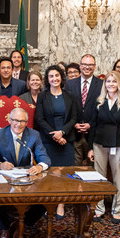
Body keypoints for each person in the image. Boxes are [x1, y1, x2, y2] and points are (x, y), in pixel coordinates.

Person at [0, 108, 51, 238]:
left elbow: (45, 159)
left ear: (26, 122)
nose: (19, 124)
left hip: (27, 181)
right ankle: (5, 228)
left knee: (47, 200)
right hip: (3, 182)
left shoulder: (34, 135)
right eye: (16, 120)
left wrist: (40, 166)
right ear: (10, 120)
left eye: (23, 121)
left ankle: (19, 225)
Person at [87, 71, 120, 224]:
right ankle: (99, 209)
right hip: (99, 144)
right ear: (104, 84)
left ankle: (116, 210)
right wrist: (90, 148)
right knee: (99, 178)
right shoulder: (99, 101)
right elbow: (93, 126)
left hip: (118, 145)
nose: (111, 84)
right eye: (108, 81)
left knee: (118, 179)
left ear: (119, 83)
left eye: (114, 81)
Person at [35, 65, 79, 219]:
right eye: (51, 76)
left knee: (64, 174)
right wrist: (54, 135)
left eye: (57, 75)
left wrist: (62, 133)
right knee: (48, 174)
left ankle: (60, 204)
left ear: (62, 77)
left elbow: (74, 117)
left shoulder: (70, 96)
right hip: (48, 140)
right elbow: (39, 119)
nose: (54, 79)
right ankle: (50, 203)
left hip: (66, 140)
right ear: (47, 80)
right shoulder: (42, 96)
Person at [65, 54, 103, 166]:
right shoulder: (69, 84)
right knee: (73, 169)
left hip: (93, 134)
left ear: (95, 66)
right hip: (74, 133)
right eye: (85, 64)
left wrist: (91, 124)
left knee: (93, 169)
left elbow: (103, 110)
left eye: (90, 64)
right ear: (80, 66)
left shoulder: (102, 85)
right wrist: (74, 124)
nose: (87, 67)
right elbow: (67, 108)